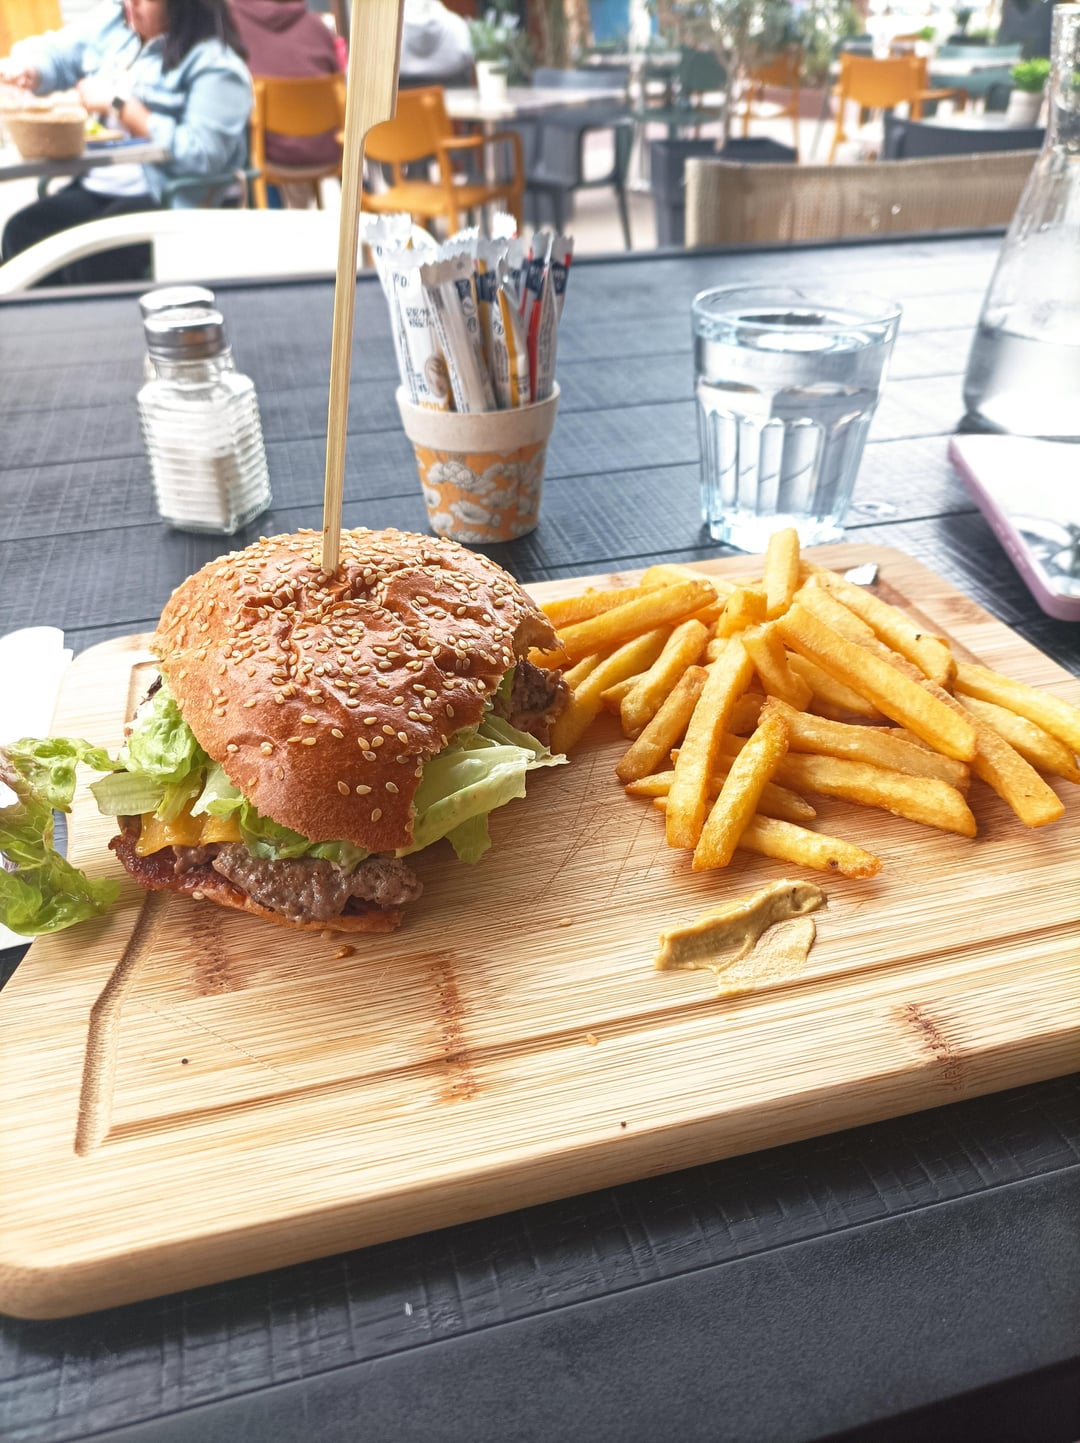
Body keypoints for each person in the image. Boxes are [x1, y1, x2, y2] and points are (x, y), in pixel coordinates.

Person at [0, 0, 252, 283]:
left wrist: (121, 106)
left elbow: (201, 154)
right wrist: (32, 69)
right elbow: (59, 52)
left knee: (89, 253)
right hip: (102, 186)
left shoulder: (216, 64)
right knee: (22, 232)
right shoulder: (116, 24)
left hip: (167, 196)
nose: (131, 3)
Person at [229, 0, 341, 175]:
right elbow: (340, 82)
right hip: (329, 151)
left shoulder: (230, 23)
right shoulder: (318, 27)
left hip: (268, 156)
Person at [398, 0, 473, 90]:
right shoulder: (457, 25)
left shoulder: (391, 28)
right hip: (452, 93)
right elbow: (468, 57)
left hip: (401, 94)